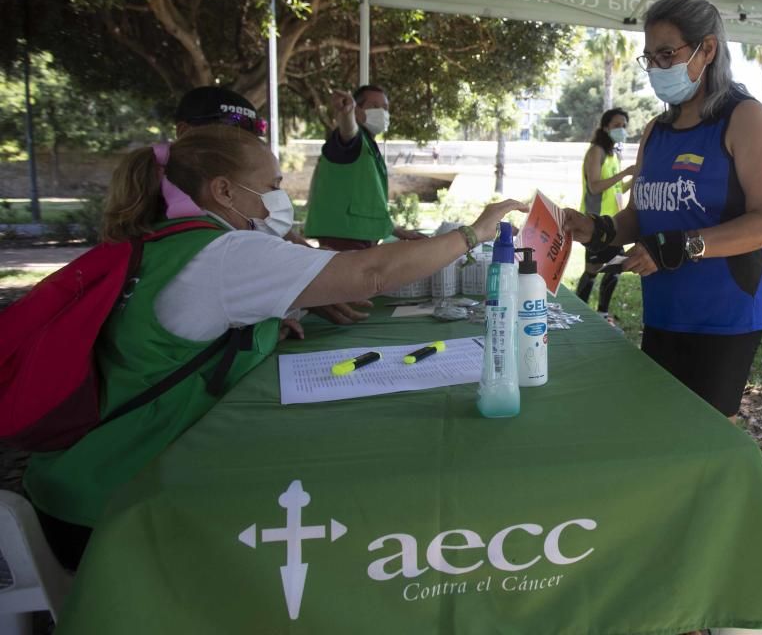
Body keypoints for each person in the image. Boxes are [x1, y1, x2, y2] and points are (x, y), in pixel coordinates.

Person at [22, 125, 525, 569]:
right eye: (273, 185)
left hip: (71, 482)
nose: (281, 197)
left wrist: (266, 321)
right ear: (223, 190)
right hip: (110, 510)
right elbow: (371, 273)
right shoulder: (228, 254)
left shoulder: (168, 240)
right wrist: (473, 232)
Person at [561, 0, 762, 421]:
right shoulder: (657, 130)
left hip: (723, 316)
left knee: (703, 440)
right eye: (650, 58)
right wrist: (597, 229)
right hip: (664, 310)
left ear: (707, 49)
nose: (658, 68)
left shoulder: (745, 119)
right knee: (661, 428)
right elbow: (638, 214)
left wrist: (683, 245)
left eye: (667, 54)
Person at [173, 86, 371, 326]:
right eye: (228, 134)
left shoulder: (235, 207)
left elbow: (277, 237)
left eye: (249, 138)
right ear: (184, 132)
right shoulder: (164, 213)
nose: (240, 149)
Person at [304, 85, 426, 250]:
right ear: (357, 110)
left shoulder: (369, 146)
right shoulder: (350, 140)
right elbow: (348, 132)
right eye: (375, 106)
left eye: (385, 108)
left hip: (360, 237)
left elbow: (370, 206)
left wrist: (399, 232)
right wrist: (346, 114)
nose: (382, 112)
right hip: (344, 237)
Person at [574, 108, 636, 322]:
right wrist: (625, 172)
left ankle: (602, 312)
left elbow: (616, 188)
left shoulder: (613, 154)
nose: (622, 130)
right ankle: (578, 313)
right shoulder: (596, 151)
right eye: (617, 125)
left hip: (614, 222)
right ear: (605, 127)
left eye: (624, 126)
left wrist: (633, 180)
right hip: (595, 223)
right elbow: (595, 186)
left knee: (616, 267)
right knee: (592, 270)